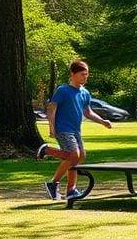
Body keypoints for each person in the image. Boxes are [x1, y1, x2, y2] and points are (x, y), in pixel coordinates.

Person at [38, 59, 114, 201]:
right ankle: (52, 176)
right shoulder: (63, 90)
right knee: (73, 155)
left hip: (75, 130)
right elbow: (51, 109)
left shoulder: (85, 93)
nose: (85, 77)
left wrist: (102, 121)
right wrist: (52, 128)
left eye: (86, 74)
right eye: (82, 74)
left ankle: (71, 190)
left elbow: (88, 112)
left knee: (80, 156)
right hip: (63, 128)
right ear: (72, 74)